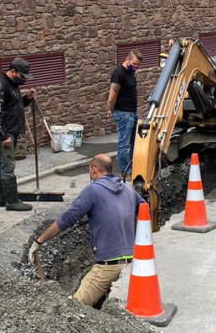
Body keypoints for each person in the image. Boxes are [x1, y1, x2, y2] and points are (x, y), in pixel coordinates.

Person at [28, 154, 145, 306]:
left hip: (108, 266)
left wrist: (39, 240)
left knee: (74, 309)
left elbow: (68, 218)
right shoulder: (129, 191)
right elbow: (145, 210)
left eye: (89, 170)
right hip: (133, 263)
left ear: (94, 170)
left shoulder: (93, 191)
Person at [0, 57, 37, 211]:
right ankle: (12, 201)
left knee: (2, 164)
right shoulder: (0, 86)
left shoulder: (11, 84)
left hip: (10, 130)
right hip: (5, 132)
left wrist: (27, 99)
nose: (24, 80)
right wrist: (4, 136)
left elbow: (14, 105)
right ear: (13, 71)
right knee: (8, 165)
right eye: (22, 76)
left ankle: (1, 199)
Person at [107, 50, 142, 179]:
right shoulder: (119, 73)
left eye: (138, 65)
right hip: (123, 114)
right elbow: (112, 97)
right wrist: (110, 110)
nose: (136, 67)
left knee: (134, 143)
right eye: (134, 64)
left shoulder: (130, 73)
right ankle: (125, 171)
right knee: (124, 145)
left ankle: (133, 168)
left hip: (132, 113)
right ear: (127, 59)